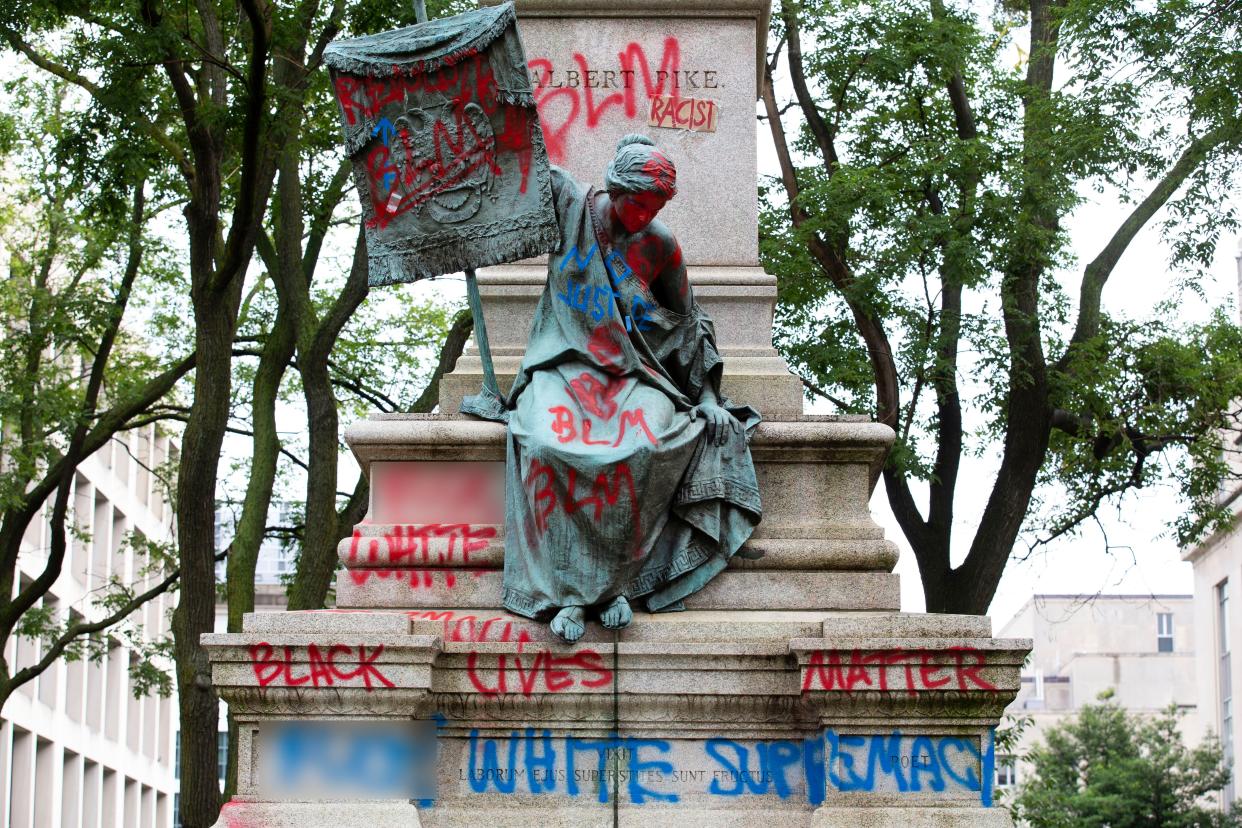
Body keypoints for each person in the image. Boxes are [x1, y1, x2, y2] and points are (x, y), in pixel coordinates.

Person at [501, 134, 762, 642]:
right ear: (616, 189)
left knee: (646, 445)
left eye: (656, 206)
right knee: (545, 441)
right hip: (564, 366)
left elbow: (688, 324)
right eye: (637, 203)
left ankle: (617, 585)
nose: (645, 214)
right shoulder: (571, 207)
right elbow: (516, 165)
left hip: (639, 375)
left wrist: (707, 398)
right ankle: (570, 595)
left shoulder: (660, 245)